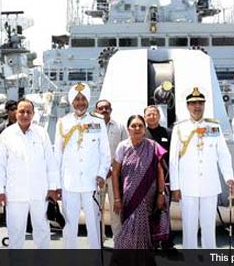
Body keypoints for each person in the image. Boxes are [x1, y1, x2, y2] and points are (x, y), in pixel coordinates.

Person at [169, 87, 234, 249]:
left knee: (208, 228)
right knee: (189, 228)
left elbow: (223, 155)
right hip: (187, 187)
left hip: (210, 185)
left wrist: (229, 177)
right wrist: (175, 186)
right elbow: (173, 160)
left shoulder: (213, 127)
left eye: (200, 103)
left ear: (204, 105)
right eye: (193, 103)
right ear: (187, 106)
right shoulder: (179, 128)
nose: (197, 106)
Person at [0, 99, 59, 249]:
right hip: (15, 193)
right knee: (16, 233)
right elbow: (0, 166)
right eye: (21, 111)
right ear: (15, 113)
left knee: (42, 230)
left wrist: (52, 188)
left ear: (33, 114)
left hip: (39, 192)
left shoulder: (41, 133)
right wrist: (0, 191)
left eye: (28, 112)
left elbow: (51, 162)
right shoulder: (7, 135)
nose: (25, 115)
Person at [54, 82, 111, 249]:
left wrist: (101, 173)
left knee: (93, 225)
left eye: (83, 99)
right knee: (69, 226)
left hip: (91, 183)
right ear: (72, 102)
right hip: (69, 183)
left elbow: (105, 153)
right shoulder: (62, 123)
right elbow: (57, 154)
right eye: (77, 99)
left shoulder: (97, 122)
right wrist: (56, 184)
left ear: (88, 101)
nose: (80, 102)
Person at [112, 115, 168, 249]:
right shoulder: (122, 146)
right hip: (129, 197)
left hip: (148, 196)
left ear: (144, 129)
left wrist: (161, 194)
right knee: (128, 227)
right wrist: (117, 199)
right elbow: (115, 173)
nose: (137, 128)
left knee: (145, 229)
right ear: (128, 129)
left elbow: (161, 172)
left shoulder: (153, 146)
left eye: (140, 126)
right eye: (133, 126)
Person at [95, 99, 128, 239]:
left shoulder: (119, 126)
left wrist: (113, 168)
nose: (104, 110)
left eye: (107, 108)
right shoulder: (91, 127)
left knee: (116, 209)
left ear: (111, 109)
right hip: (97, 176)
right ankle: (99, 238)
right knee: (97, 209)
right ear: (96, 110)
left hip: (115, 174)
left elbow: (126, 149)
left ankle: (118, 239)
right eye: (101, 108)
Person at [143, 105, 175, 250]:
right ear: (145, 117)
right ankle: (151, 243)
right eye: (149, 115)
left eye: (154, 114)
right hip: (147, 181)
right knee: (149, 212)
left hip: (165, 179)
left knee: (165, 211)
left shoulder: (168, 133)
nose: (152, 117)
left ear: (159, 116)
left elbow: (173, 157)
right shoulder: (142, 134)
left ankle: (167, 243)